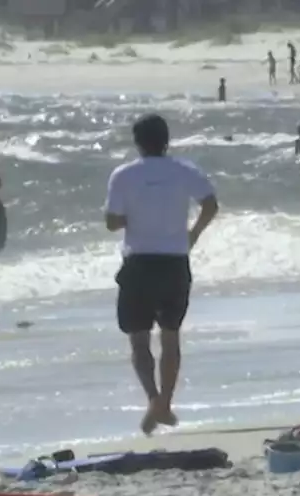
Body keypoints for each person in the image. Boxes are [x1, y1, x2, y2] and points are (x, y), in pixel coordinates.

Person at [103, 114, 218, 436]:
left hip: (139, 263)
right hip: (174, 262)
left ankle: (154, 399)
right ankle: (164, 402)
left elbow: (112, 222)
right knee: (170, 336)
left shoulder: (123, 175)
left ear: (137, 142)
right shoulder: (184, 170)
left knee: (139, 340)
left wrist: (136, 216)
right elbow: (210, 204)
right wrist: (193, 234)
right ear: (166, 140)